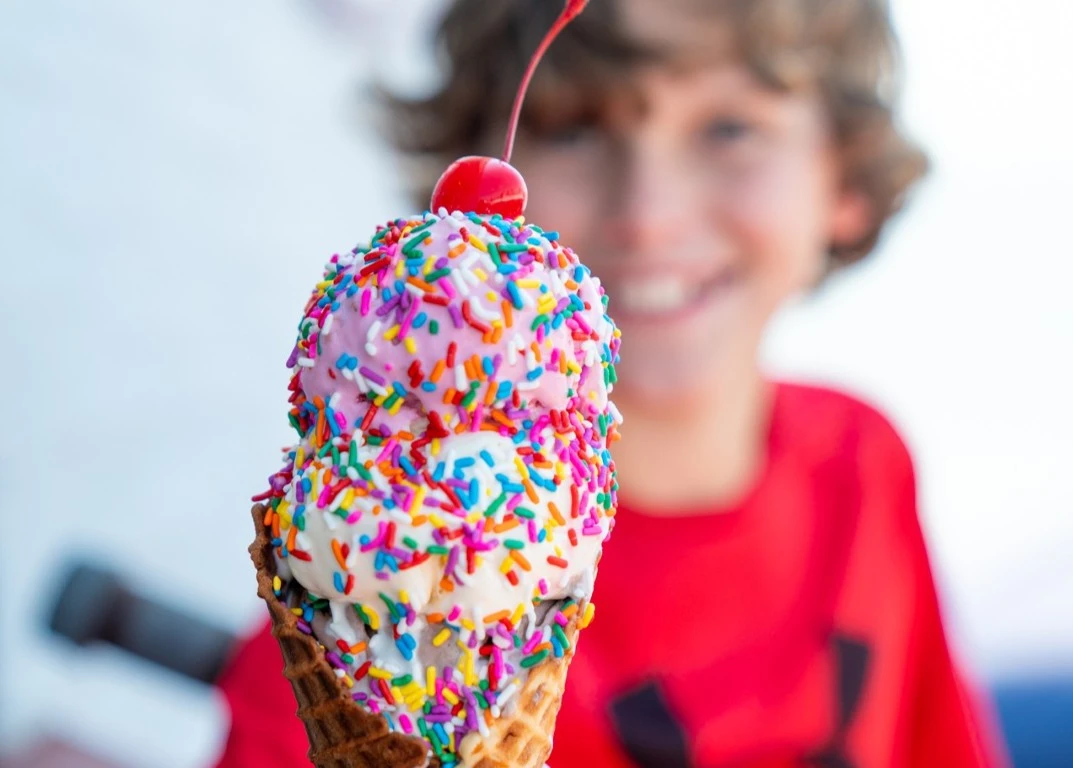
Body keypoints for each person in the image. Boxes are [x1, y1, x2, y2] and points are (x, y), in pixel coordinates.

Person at [214, 0, 1008, 765]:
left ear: (847, 184)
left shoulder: (862, 462)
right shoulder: (375, 573)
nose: (647, 213)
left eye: (729, 128)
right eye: (575, 127)